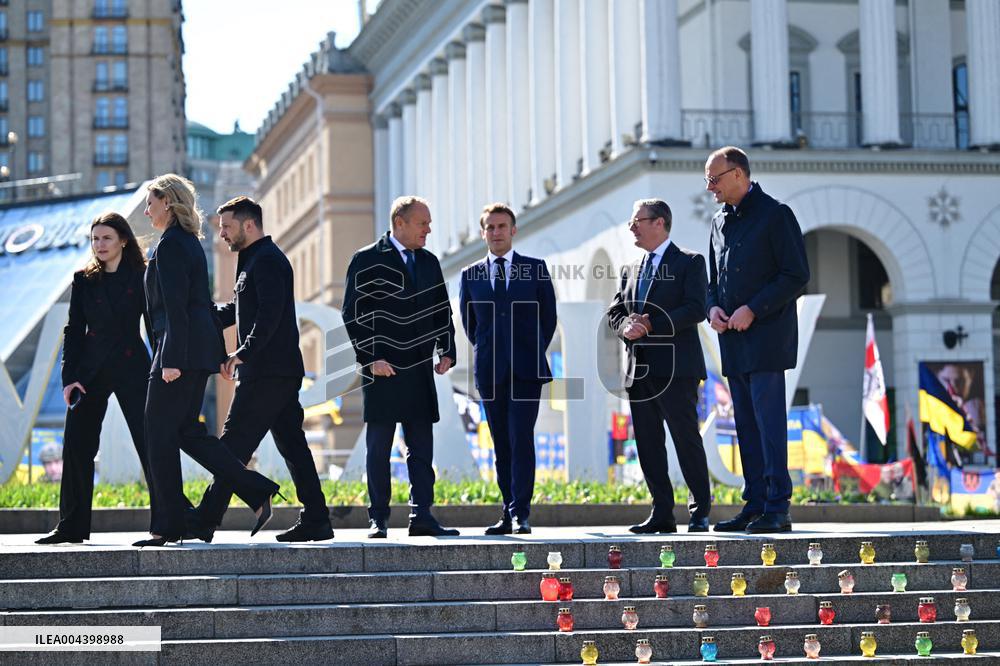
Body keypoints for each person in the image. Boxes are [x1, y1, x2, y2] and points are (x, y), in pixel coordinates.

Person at [138, 174, 280, 547]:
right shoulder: (185, 243)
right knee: (186, 432)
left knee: (157, 435)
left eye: (151, 202)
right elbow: (194, 306)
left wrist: (169, 360)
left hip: (178, 353)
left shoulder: (170, 246)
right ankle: (255, 488)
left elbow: (176, 309)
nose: (146, 209)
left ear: (167, 202)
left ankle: (166, 527)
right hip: (193, 351)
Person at [185, 196, 333, 543]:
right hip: (274, 371)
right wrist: (200, 316)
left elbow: (270, 314)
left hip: (268, 372)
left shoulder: (267, 261)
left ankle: (206, 519)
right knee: (293, 446)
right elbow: (240, 308)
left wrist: (243, 353)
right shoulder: (252, 260)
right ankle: (317, 518)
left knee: (233, 444)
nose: (221, 234)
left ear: (248, 225)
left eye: (226, 227)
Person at [704, 147, 810, 534]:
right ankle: (755, 503)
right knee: (745, 426)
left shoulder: (776, 214)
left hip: (766, 338)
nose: (710, 187)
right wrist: (712, 308)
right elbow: (713, 282)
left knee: (768, 424)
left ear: (738, 174)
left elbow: (796, 274)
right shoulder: (718, 222)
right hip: (732, 340)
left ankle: (777, 507)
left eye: (714, 179)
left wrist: (754, 308)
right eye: (707, 181)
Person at [342, 195, 459, 538]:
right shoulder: (365, 260)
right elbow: (352, 313)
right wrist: (369, 358)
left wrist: (447, 348)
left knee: (422, 448)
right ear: (400, 223)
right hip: (382, 369)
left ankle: (421, 515)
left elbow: (442, 310)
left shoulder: (429, 262)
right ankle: (378, 518)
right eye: (423, 223)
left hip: (420, 369)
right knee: (379, 448)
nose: (429, 229)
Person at [36, 213, 154, 544]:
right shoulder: (84, 280)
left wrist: (163, 366)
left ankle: (171, 519)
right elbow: (73, 330)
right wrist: (69, 378)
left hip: (133, 368)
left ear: (123, 241)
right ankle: (70, 526)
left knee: (150, 443)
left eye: (106, 238)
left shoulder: (142, 276)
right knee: (76, 446)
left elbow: (154, 325)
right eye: (95, 239)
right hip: (89, 372)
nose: (99, 245)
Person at [607, 199, 712, 534]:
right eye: (632, 220)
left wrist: (653, 324)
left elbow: (696, 308)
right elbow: (615, 312)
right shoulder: (629, 269)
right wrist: (626, 327)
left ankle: (699, 512)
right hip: (639, 372)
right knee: (649, 445)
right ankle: (662, 513)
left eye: (638, 220)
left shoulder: (690, 262)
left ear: (660, 223)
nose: (632, 226)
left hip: (677, 370)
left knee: (685, 439)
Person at [459, 203, 557, 535]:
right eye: (490, 227)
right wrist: (492, 351)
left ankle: (521, 513)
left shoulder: (535, 268)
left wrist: (529, 349)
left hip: (527, 371)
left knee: (521, 438)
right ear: (483, 232)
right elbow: (470, 325)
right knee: (500, 442)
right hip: (490, 371)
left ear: (513, 231)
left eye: (502, 226)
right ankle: (507, 511)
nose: (496, 232)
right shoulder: (470, 275)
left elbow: (549, 318)